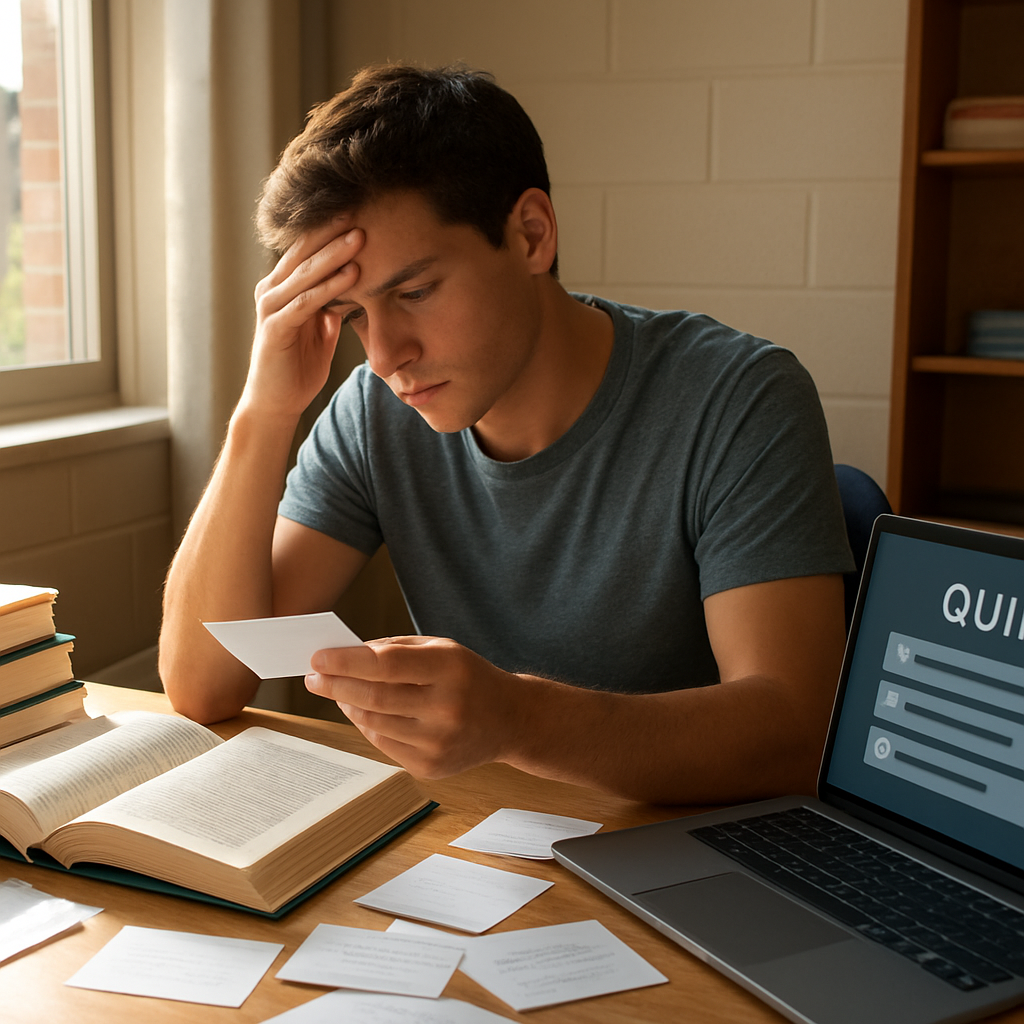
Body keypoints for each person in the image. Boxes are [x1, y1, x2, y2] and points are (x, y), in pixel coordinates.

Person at [159, 63, 854, 805]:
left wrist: (519, 718)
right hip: (492, 846)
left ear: (531, 234)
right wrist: (261, 414)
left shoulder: (739, 395)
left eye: (415, 292)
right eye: (356, 314)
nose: (386, 355)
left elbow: (796, 732)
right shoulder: (373, 409)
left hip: (698, 855)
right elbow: (203, 685)